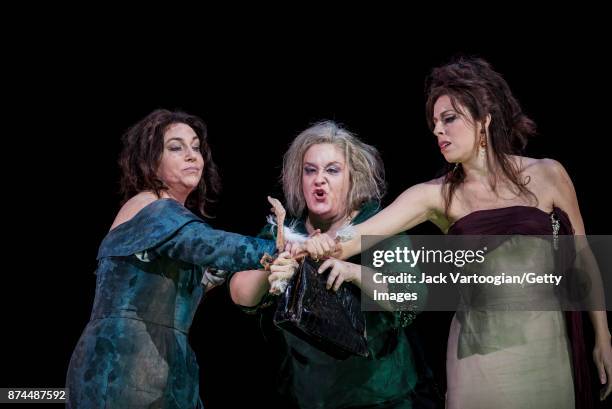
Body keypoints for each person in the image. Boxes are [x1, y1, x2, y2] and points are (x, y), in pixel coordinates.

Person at [299, 57, 612, 407]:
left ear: (484, 120)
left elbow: (583, 257)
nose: (437, 131)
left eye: (449, 119)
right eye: (434, 122)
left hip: (549, 348)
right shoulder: (435, 194)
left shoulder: (548, 174)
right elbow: (356, 237)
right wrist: (314, 244)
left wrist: (603, 336)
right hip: (479, 357)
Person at [66, 109, 280, 408]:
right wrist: (287, 244)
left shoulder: (168, 221)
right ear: (151, 162)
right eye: (176, 148)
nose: (192, 156)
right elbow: (215, 246)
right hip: (125, 364)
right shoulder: (153, 208)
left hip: (157, 360)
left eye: (196, 147)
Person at [229, 121, 436, 409]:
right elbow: (241, 294)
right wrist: (275, 265)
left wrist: (354, 272)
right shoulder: (285, 231)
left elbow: (413, 298)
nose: (319, 179)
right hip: (309, 395)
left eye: (332, 170)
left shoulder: (377, 226)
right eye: (310, 170)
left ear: (353, 177)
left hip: (380, 396)